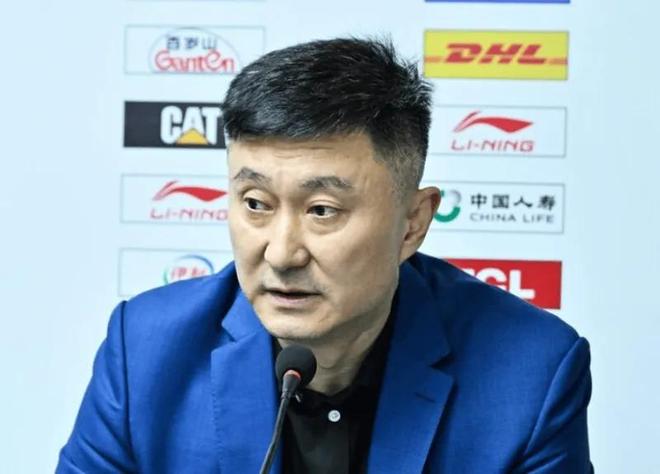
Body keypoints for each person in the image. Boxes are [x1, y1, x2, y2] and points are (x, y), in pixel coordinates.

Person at [57, 38, 592, 473]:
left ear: (412, 223)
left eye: (322, 210)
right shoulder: (145, 353)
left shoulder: (530, 374)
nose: (281, 253)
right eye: (256, 203)